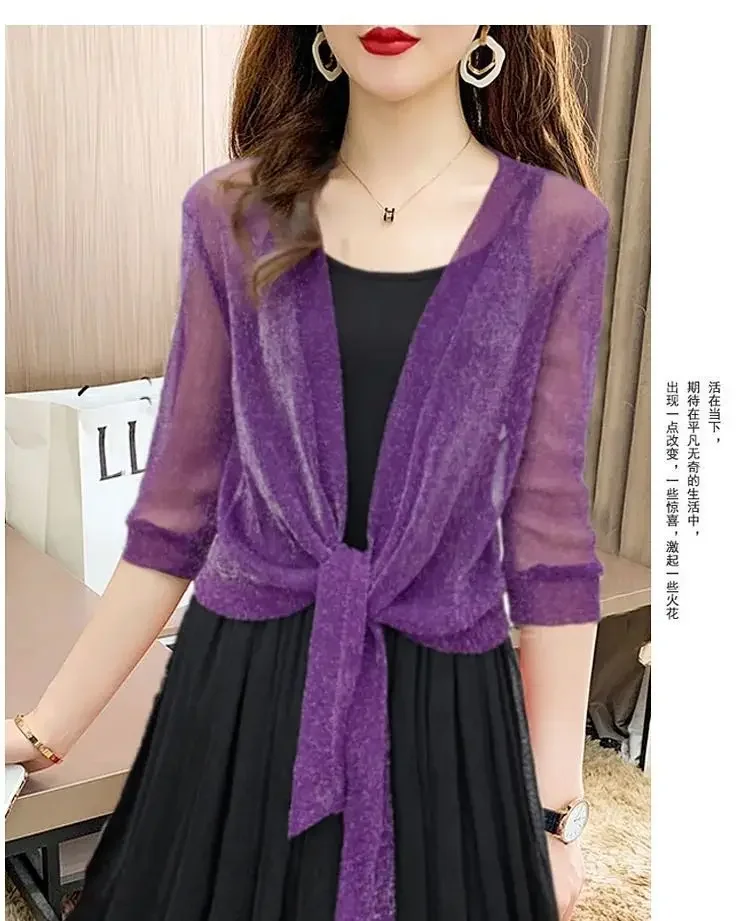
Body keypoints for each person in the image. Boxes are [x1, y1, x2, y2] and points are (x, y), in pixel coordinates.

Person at [6, 25, 610, 921]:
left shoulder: (558, 229)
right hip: (244, 685)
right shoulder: (231, 212)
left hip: (446, 699)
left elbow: (550, 536)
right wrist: (39, 731)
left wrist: (555, 817)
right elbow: (174, 513)